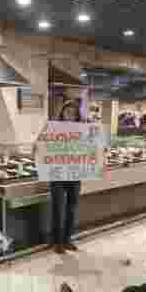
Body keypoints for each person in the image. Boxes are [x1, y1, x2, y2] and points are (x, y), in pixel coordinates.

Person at [48, 100, 85, 254]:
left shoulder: (83, 130)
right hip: (57, 174)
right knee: (58, 209)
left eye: (73, 113)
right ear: (62, 112)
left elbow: (90, 149)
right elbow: (43, 147)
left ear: (77, 115)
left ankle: (67, 239)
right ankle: (57, 242)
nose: (70, 115)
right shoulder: (53, 129)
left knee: (72, 209)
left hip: (74, 174)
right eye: (67, 112)